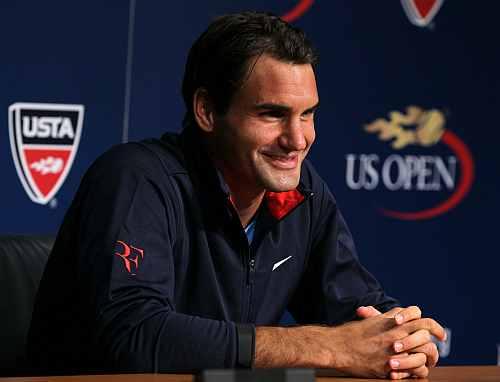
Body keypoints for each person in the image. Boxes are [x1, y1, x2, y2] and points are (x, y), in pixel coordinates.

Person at [27, 12, 445, 379]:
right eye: (272, 114)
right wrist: (329, 348)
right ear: (207, 111)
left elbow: (360, 310)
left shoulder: (303, 192)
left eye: (308, 114)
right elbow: (134, 335)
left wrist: (402, 338)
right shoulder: (136, 177)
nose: (297, 139)